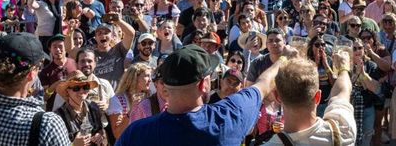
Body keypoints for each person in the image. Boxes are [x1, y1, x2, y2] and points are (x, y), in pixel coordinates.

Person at [117, 44, 285, 146]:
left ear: (165, 87)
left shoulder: (136, 133)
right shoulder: (227, 117)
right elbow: (264, 84)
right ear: (203, 84)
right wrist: (284, 60)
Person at [264, 49, 356, 145]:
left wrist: (282, 59)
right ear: (318, 97)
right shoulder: (343, 132)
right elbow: (341, 93)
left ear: (277, 96)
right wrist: (343, 69)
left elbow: (260, 85)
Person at [53, 70, 106, 145]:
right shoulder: (58, 117)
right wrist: (74, 144)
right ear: (67, 91)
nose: (82, 91)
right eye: (76, 88)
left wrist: (100, 135)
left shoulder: (93, 107)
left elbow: (101, 130)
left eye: (85, 87)